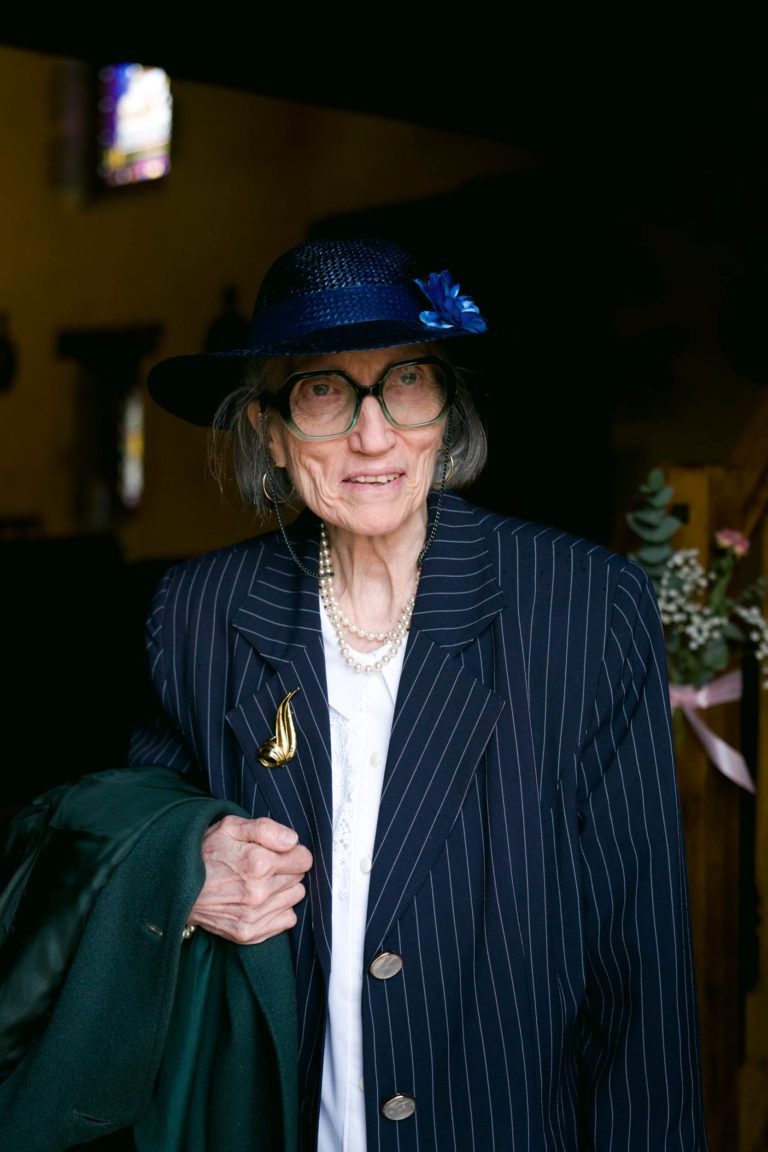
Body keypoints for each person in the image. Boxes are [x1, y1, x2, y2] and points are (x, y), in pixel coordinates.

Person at [128, 233, 708, 1150]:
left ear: (447, 410)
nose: (372, 434)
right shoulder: (200, 610)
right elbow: (136, 825)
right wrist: (183, 868)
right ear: (269, 434)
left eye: (407, 381)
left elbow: (641, 969)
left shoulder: (583, 607)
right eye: (323, 390)